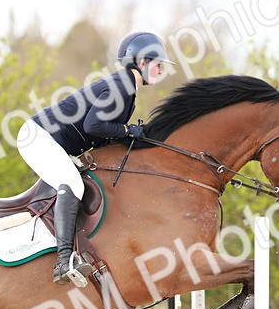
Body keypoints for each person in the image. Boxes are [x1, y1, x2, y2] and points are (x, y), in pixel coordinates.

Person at [17, 31, 172, 285]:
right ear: (142, 63)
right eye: (158, 65)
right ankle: (63, 262)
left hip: (51, 140)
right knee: (73, 184)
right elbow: (93, 125)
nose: (161, 70)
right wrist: (126, 130)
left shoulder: (126, 88)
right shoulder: (121, 86)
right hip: (38, 138)